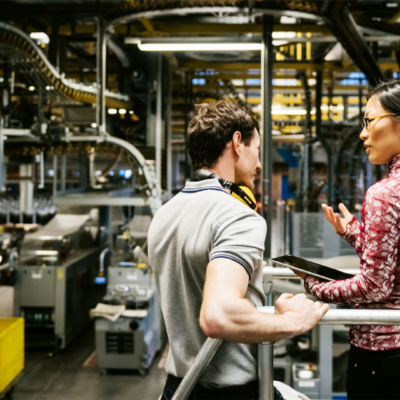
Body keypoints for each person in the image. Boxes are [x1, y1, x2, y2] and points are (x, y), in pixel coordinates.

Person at [148, 101, 328, 400]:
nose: (259, 165)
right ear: (237, 144)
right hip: (232, 393)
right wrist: (289, 322)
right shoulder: (239, 216)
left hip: (178, 388)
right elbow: (218, 315)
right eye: (256, 150)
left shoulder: (165, 214)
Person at [292, 79, 400, 400]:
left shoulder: (384, 194)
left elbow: (375, 285)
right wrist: (354, 232)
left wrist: (316, 287)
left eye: (369, 121)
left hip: (382, 356)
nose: (362, 134)